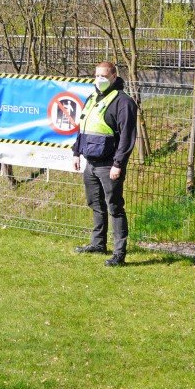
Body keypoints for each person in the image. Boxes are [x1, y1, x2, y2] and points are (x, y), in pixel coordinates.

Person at [72, 61, 138, 267]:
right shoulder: (92, 98)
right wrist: (76, 152)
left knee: (115, 207)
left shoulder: (123, 102)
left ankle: (119, 253)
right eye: (97, 75)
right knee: (95, 204)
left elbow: (127, 137)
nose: (99, 79)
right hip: (90, 162)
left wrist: (119, 164)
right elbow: (83, 127)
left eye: (104, 76)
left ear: (113, 77)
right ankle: (98, 243)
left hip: (110, 164)